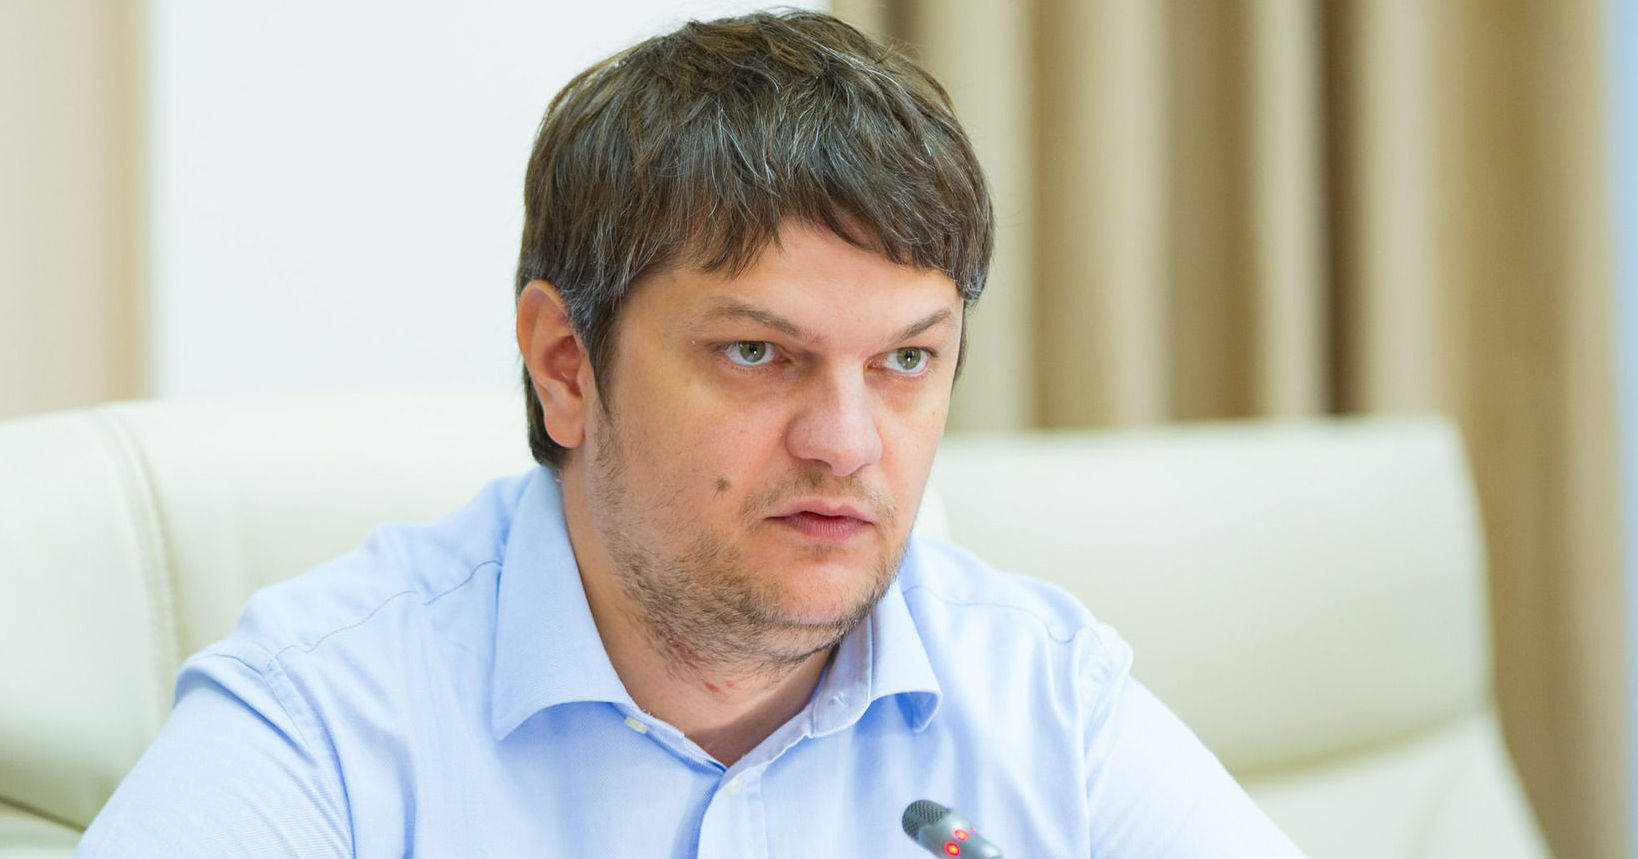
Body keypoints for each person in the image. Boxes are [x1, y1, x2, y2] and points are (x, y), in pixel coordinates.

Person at [76, 11, 1304, 857]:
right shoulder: (323, 722)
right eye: (757, 353)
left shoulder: (1049, 703)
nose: (847, 443)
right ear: (566, 365)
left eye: (905, 361)